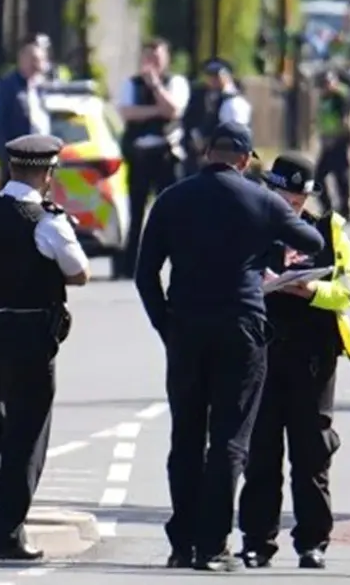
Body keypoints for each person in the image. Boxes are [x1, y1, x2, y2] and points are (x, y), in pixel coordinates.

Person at [134, 122, 325, 572]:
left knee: (185, 436)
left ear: (206, 153)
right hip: (241, 327)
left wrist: (165, 324)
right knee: (230, 440)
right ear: (243, 159)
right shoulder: (261, 200)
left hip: (185, 327)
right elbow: (313, 241)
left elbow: (146, 274)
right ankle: (213, 545)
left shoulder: (172, 198)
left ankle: (182, 541)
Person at [0, 134, 91, 561]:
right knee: (25, 435)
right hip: (28, 339)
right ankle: (8, 536)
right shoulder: (47, 220)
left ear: (11, 167)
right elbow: (79, 272)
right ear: (49, 174)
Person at [236, 153, 350, 570]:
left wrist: (312, 292)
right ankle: (257, 540)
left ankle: (313, 542)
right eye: (284, 195)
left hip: (314, 357)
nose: (291, 204)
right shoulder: (251, 225)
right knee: (261, 453)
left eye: (298, 198)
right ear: (270, 189)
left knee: (312, 454)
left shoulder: (329, 230)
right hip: (262, 352)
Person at [117, 39, 191, 277]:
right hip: (139, 156)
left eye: (157, 58)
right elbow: (127, 113)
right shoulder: (131, 84)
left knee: (173, 212)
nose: (153, 62)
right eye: (148, 57)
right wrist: (155, 111)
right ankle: (130, 266)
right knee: (135, 211)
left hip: (166, 156)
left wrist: (156, 86)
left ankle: (180, 263)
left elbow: (173, 110)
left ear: (166, 59)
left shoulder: (175, 82)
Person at [0, 39, 51, 184]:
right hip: (18, 166)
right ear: (22, 60)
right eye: (35, 60)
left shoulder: (39, 88)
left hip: (39, 164)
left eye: (42, 60)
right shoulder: (9, 87)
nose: (39, 65)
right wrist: (9, 161)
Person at [181, 59, 252, 177]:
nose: (213, 80)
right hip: (198, 159)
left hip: (223, 162)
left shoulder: (233, 102)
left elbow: (235, 135)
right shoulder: (200, 95)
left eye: (217, 75)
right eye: (210, 75)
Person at [314, 71, 350, 219]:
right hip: (329, 141)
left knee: (338, 176)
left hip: (337, 141)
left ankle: (342, 209)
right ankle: (330, 208)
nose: (324, 87)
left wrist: (340, 136)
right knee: (324, 176)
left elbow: (344, 118)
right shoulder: (326, 97)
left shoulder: (338, 97)